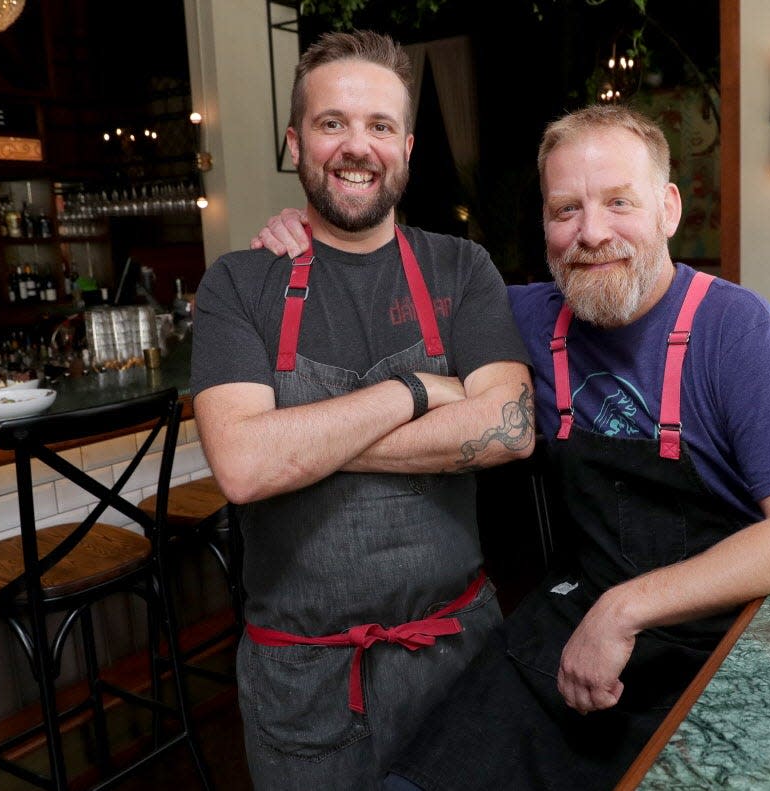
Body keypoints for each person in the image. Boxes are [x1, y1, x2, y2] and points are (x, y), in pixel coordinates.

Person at [255, 104, 770, 790]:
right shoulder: (525, 317)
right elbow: (389, 280)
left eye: (618, 202)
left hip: (726, 637)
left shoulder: (738, 331)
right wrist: (315, 238)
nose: (591, 233)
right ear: (544, 225)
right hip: (572, 612)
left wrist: (624, 609)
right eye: (566, 209)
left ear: (669, 209)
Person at [190, 30, 535, 790]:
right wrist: (411, 392)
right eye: (331, 123)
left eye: (380, 126)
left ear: (406, 146)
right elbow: (244, 470)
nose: (358, 146)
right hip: (304, 688)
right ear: (294, 142)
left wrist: (297, 444)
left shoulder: (461, 267)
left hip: (460, 659)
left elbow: (509, 428)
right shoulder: (239, 284)